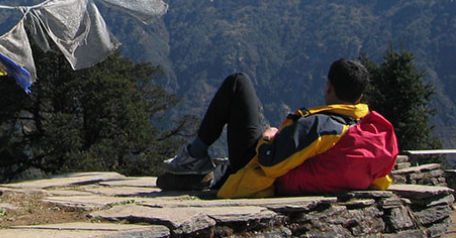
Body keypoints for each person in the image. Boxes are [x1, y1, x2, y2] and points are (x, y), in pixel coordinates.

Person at [163, 58, 398, 198]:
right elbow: (380, 180)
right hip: (304, 178)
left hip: (256, 177)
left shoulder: (321, 126)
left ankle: (193, 157)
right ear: (360, 97)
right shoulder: (370, 132)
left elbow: (270, 162)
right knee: (253, 107)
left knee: (238, 83)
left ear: (329, 87)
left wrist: (268, 137)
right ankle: (205, 167)